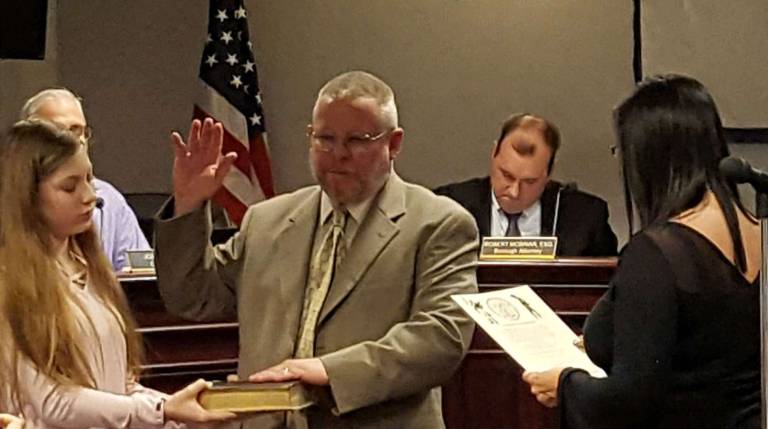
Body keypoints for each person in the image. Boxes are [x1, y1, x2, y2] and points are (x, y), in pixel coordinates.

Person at [154, 70, 479, 428]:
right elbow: (192, 297)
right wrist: (187, 206)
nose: (339, 154)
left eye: (358, 140)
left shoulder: (437, 224)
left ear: (394, 143)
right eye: (325, 138)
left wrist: (330, 372)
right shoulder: (266, 221)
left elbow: (441, 337)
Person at [522, 75, 761, 428]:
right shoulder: (757, 230)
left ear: (649, 157)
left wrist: (566, 384)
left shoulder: (659, 253)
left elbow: (629, 400)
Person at [0, 120, 236, 428]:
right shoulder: (10, 284)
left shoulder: (91, 271)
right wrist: (163, 411)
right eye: (70, 186)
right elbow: (51, 403)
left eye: (89, 179)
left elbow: (120, 387)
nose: (90, 196)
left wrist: (183, 412)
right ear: (27, 196)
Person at [434, 113, 618, 256]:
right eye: (506, 175)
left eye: (529, 181)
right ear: (494, 154)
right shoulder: (450, 207)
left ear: (549, 173)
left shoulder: (586, 219)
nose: (514, 192)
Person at [21, 88, 151, 271]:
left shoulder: (109, 201)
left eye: (79, 131)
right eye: (69, 187)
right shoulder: (12, 205)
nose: (77, 141)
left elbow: (140, 273)